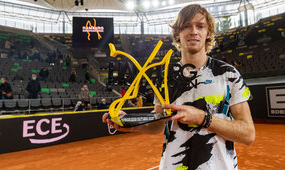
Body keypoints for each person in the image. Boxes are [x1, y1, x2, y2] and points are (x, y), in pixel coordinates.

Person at [103, 4, 255, 170]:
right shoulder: (164, 76)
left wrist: (202, 118)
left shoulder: (228, 74)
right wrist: (132, 123)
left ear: (208, 33)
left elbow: (248, 134)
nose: (193, 31)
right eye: (186, 26)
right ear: (177, 33)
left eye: (200, 26)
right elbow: (159, 123)